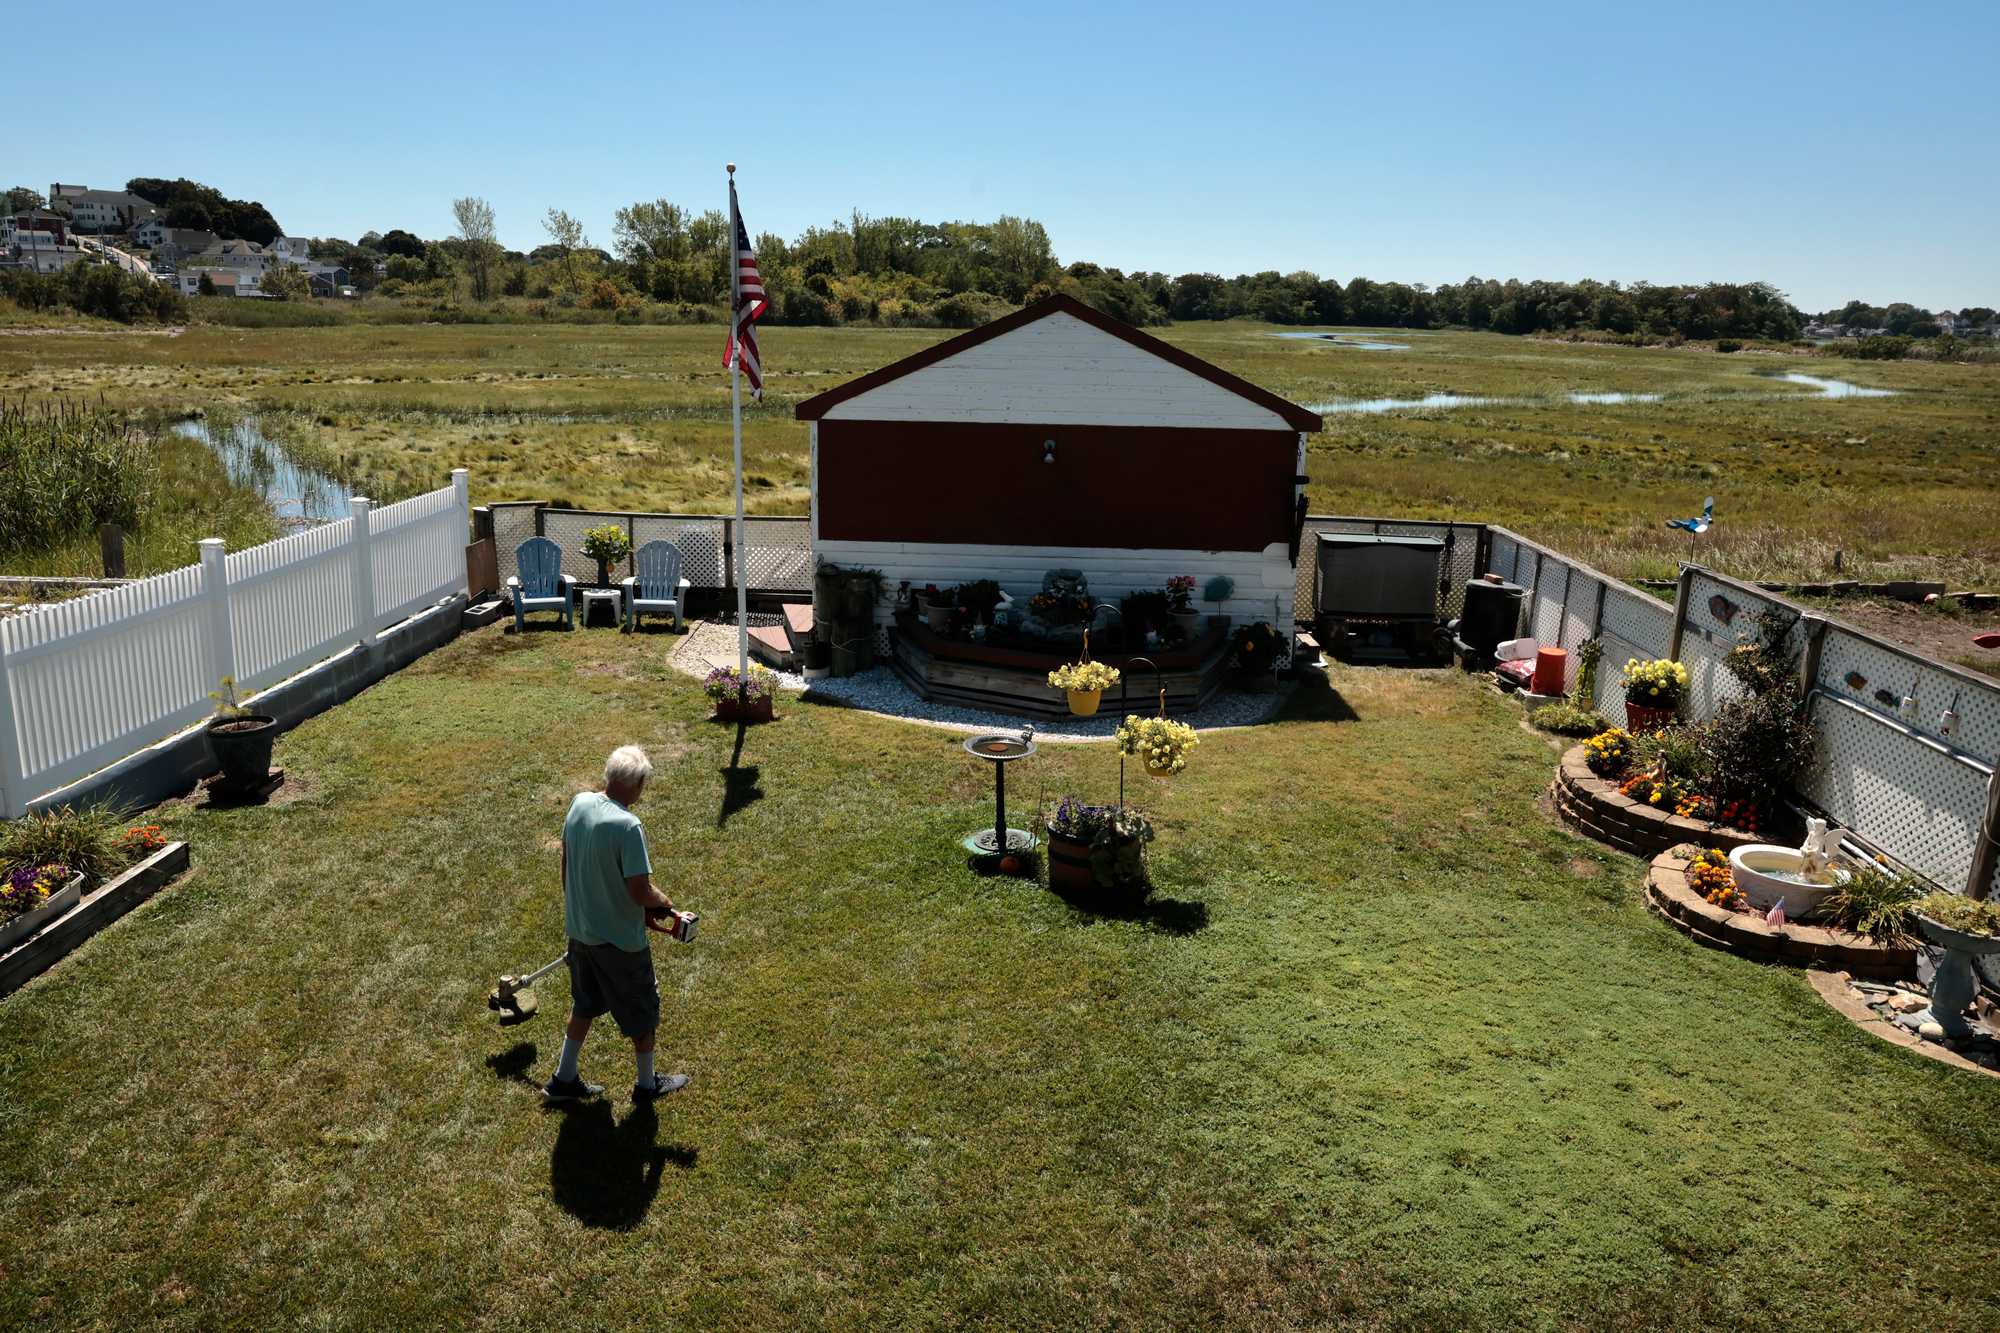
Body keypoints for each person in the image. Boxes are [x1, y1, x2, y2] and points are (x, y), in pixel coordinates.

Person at [542, 744, 689, 1104]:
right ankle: (646, 1085)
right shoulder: (628, 826)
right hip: (621, 943)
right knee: (642, 1013)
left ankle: (563, 1078)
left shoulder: (579, 803)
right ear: (637, 784)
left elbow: (566, 859)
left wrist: (576, 905)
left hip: (581, 932)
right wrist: (666, 904)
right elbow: (640, 891)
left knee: (584, 1004)